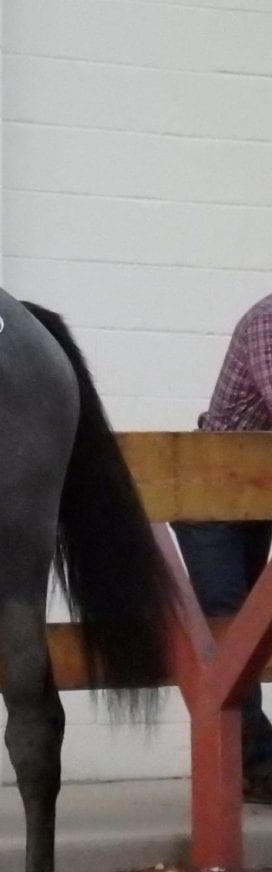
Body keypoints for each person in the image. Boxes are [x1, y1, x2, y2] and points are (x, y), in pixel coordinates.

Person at [173, 292, 272, 805]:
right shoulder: (269, 319)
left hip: (250, 495)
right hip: (211, 495)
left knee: (247, 633)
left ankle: (257, 765)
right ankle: (257, 765)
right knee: (231, 632)